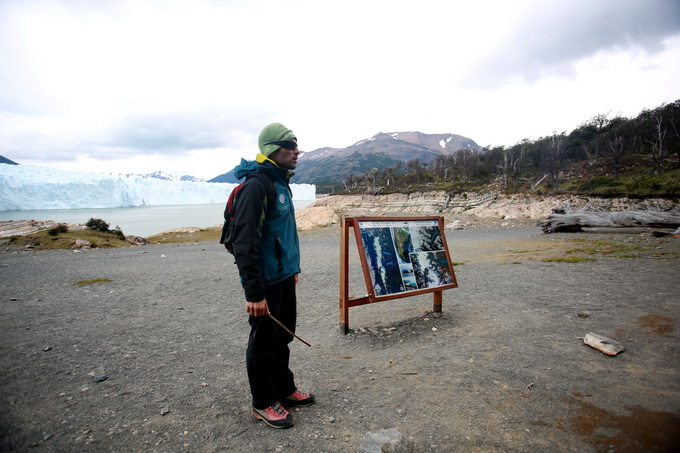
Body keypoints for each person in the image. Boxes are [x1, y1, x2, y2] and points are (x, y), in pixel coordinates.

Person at [230, 123, 315, 429]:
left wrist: (292, 270)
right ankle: (263, 402)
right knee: (264, 341)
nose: (296, 151)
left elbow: (282, 234)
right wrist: (254, 293)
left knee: (284, 336)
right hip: (264, 281)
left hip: (283, 277)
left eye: (296, 145)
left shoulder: (280, 183)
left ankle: (284, 389)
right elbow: (244, 242)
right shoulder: (257, 185)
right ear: (272, 150)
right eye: (290, 146)